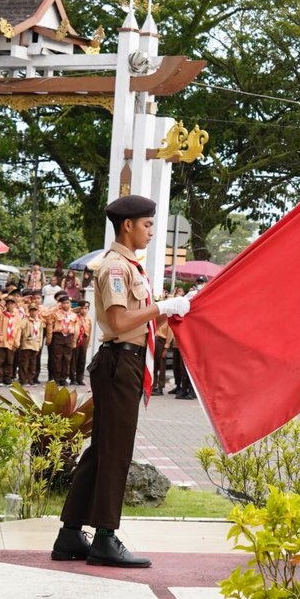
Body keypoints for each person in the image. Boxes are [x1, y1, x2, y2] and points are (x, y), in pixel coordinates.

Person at [55, 194, 191, 568]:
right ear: (128, 225)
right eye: (147, 225)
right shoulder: (116, 267)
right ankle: (104, 537)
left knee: (102, 449)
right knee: (116, 452)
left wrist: (172, 313)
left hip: (125, 361)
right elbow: (118, 323)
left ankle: (69, 535)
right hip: (119, 364)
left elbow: (139, 323)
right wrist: (162, 307)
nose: (151, 232)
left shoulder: (131, 266)